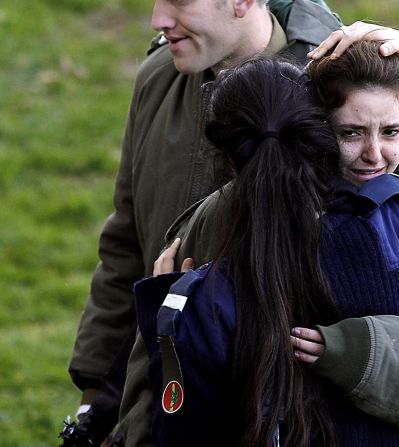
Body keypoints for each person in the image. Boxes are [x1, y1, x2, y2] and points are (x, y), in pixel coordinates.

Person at [135, 24, 399, 446]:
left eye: (391, 131)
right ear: (312, 128)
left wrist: (170, 307)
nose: (375, 155)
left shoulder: (223, 222)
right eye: (351, 132)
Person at [66, 0, 342, 444]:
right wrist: (95, 390)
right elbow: (125, 248)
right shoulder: (157, 77)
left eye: (178, 1)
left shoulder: (337, 97)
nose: (158, 19)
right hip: (159, 404)